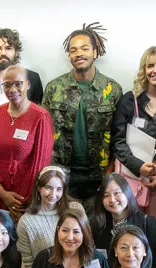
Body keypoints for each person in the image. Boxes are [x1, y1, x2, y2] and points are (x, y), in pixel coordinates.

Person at [44, 22, 123, 215]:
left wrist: (111, 172)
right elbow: (44, 134)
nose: (79, 53)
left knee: (97, 229)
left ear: (95, 53)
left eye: (85, 48)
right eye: (73, 50)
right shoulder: (54, 88)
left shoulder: (112, 90)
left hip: (99, 176)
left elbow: (119, 135)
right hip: (62, 175)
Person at [110, 46, 156, 244]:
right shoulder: (129, 100)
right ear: (143, 70)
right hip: (132, 175)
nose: (155, 70)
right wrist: (137, 166)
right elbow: (117, 141)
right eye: (150, 65)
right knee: (128, 231)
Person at [0, 65, 54, 216]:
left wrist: (21, 201)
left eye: (18, 84)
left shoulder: (41, 117)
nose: (12, 89)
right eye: (7, 85)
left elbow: (40, 164)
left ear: (28, 84)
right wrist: (1, 192)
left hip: (24, 199)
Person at [0, 28, 44, 135]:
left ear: (16, 52)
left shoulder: (32, 78)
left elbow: (38, 116)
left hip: (23, 145)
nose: (3, 53)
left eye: (8, 48)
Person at [15, 166, 84, 268]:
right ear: (39, 187)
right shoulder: (26, 221)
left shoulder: (76, 209)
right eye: (48, 187)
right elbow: (27, 263)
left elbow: (87, 245)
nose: (53, 194)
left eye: (59, 189)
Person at [92, 174, 156, 268]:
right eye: (106, 195)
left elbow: (155, 262)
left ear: (127, 193)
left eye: (117, 193)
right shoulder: (98, 224)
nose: (112, 200)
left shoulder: (147, 223)